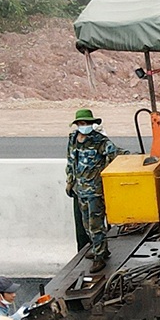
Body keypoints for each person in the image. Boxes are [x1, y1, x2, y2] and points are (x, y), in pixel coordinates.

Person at [66, 108, 123, 269]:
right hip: (80, 190)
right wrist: (70, 182)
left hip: (95, 191)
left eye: (88, 123)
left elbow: (116, 153)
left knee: (96, 224)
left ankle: (99, 257)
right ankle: (100, 249)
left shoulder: (99, 141)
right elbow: (70, 162)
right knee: (86, 224)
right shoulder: (73, 140)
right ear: (77, 124)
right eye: (82, 123)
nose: (85, 126)